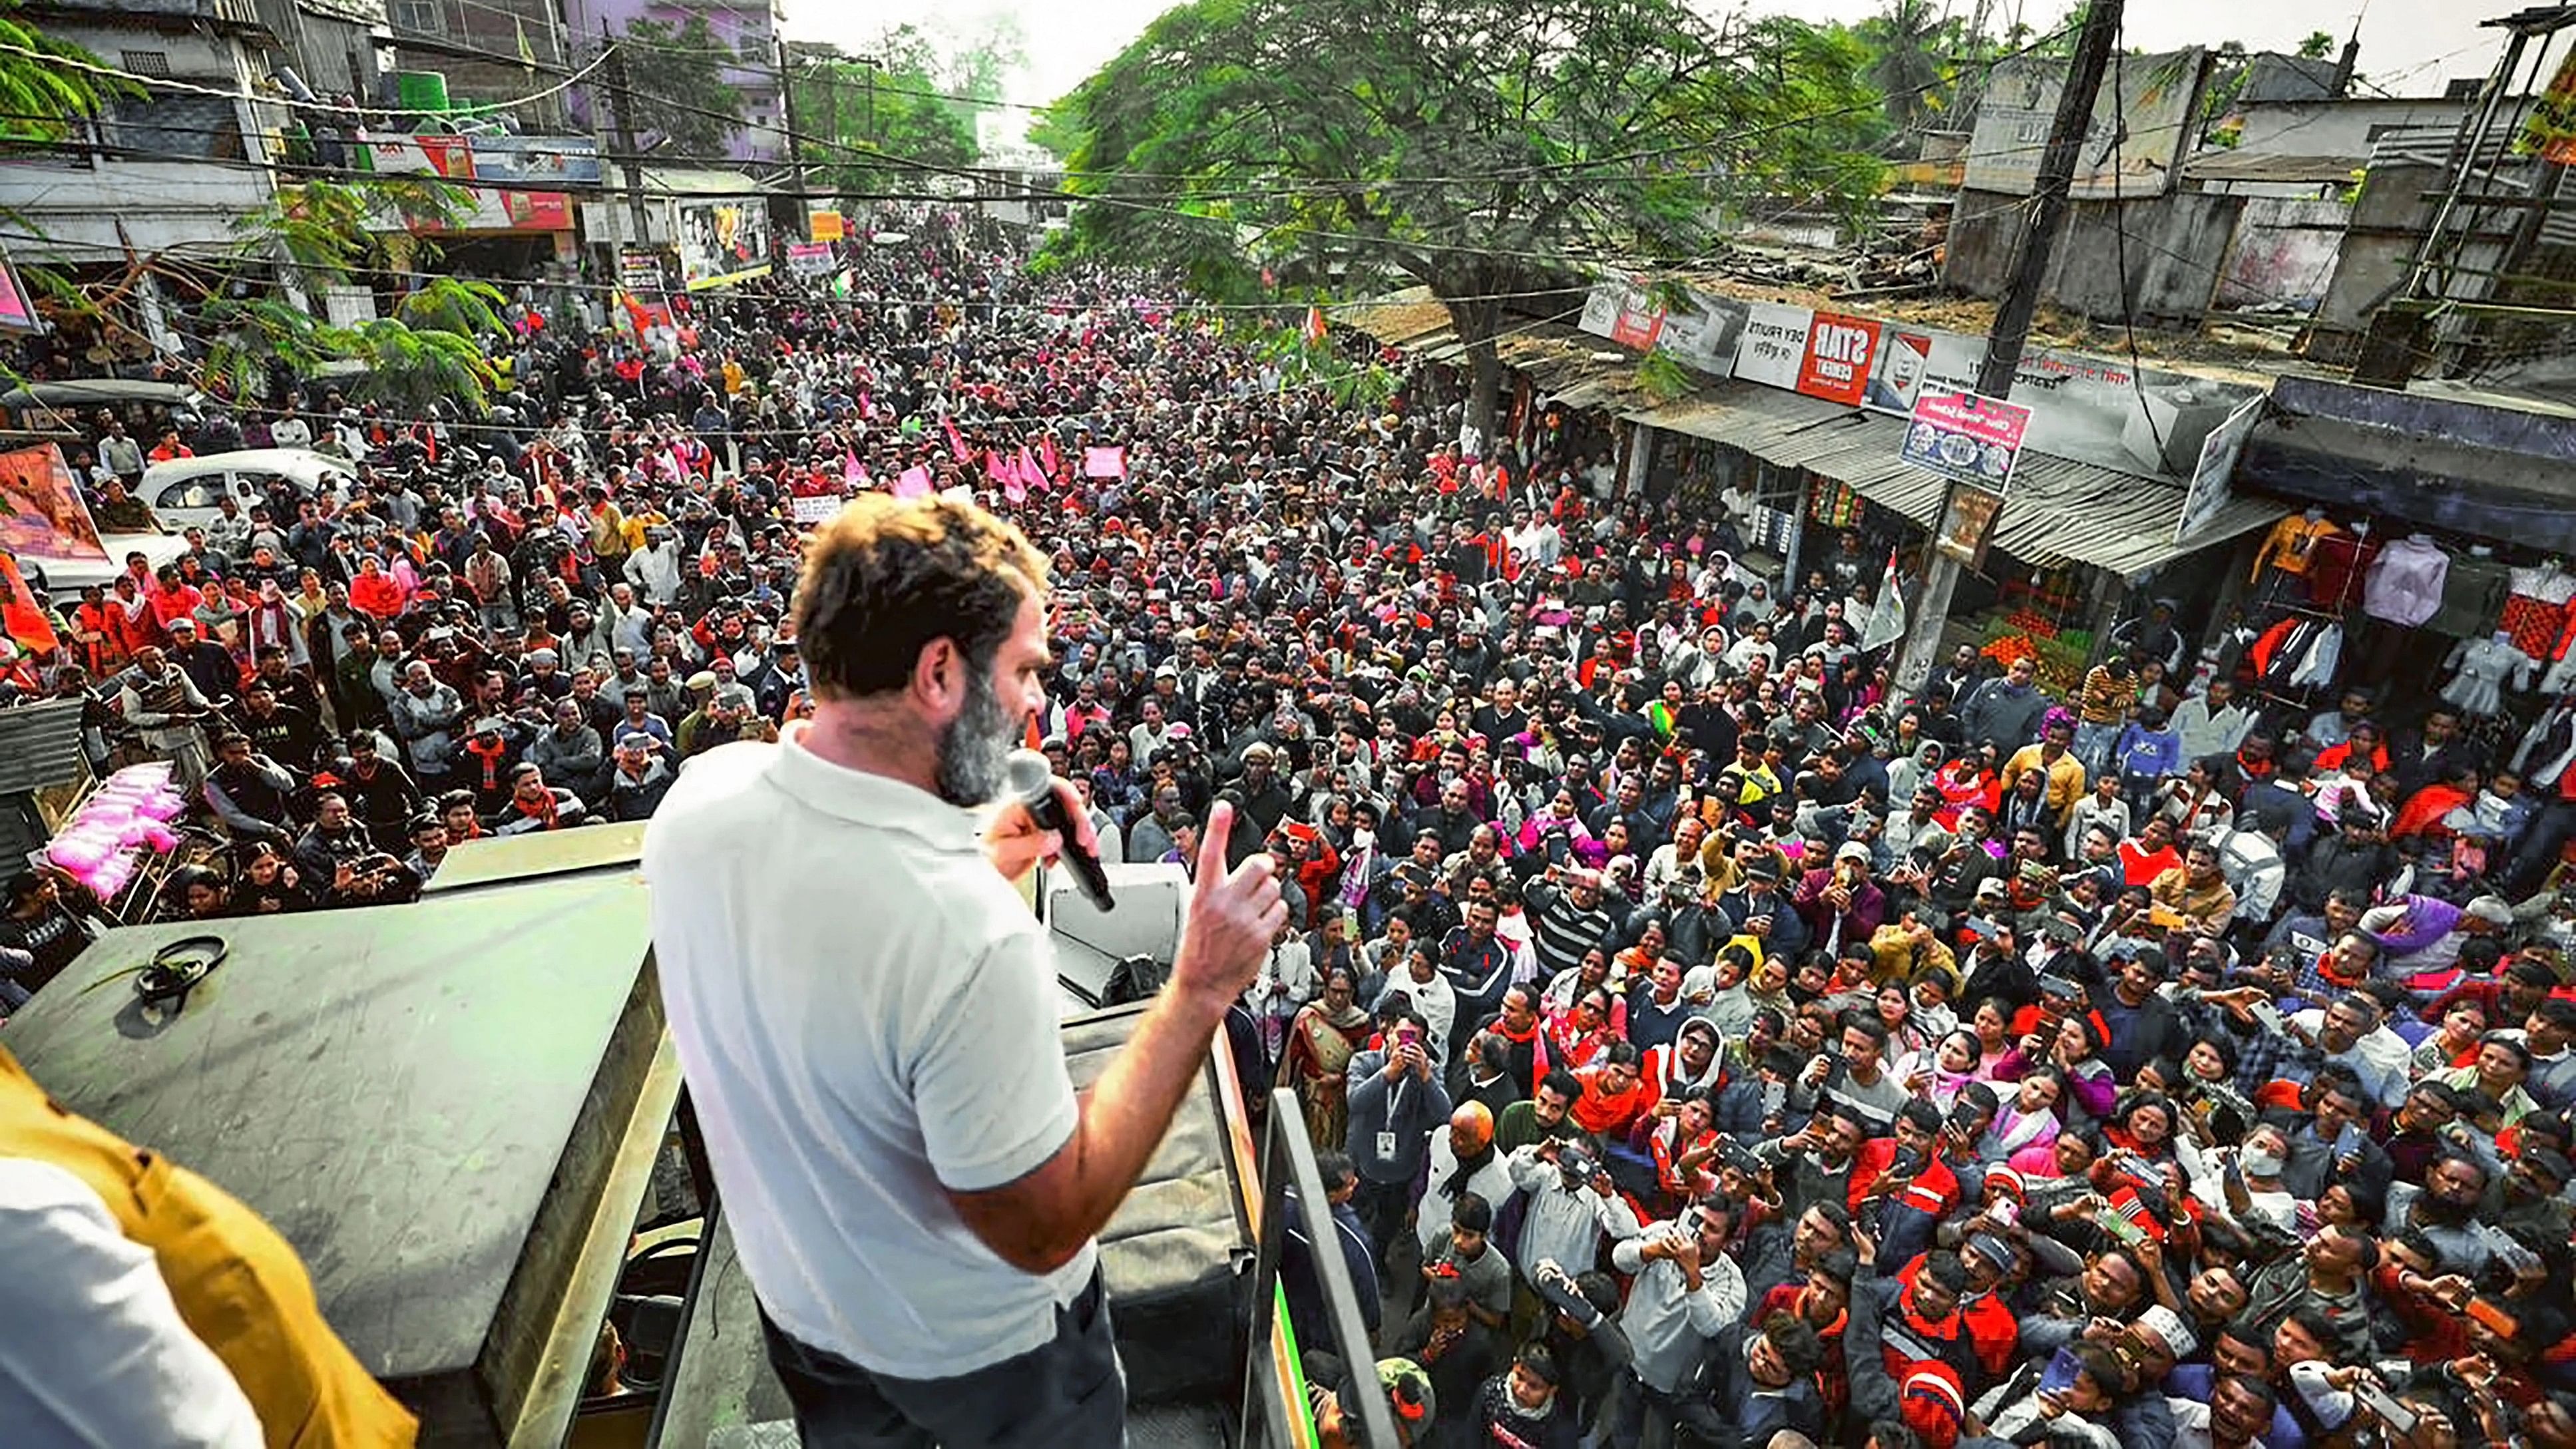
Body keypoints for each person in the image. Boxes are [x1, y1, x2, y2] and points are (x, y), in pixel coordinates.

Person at [644, 495, 1286, 1449]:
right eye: (1024, 670)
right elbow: (1046, 1223)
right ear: (940, 671)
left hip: (810, 1318)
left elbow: (843, 958)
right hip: (992, 1366)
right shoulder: (966, 935)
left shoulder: (700, 802)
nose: (1035, 703)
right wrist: (1198, 985)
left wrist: (985, 856)